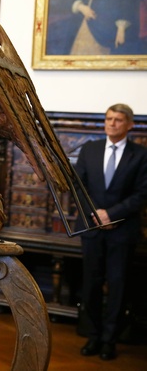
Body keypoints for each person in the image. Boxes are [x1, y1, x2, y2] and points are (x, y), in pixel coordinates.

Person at [75, 103, 147, 361]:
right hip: (92, 228)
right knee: (91, 283)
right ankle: (93, 335)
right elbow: (78, 186)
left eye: (118, 119)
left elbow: (142, 193)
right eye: (108, 119)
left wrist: (111, 214)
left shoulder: (140, 155)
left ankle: (109, 340)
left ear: (130, 125)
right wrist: (96, 215)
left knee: (117, 285)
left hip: (122, 231)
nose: (112, 123)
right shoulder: (90, 149)